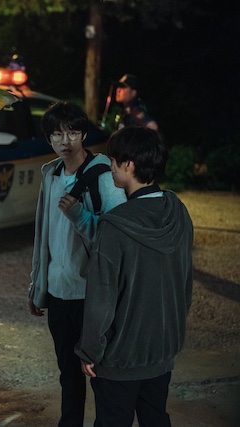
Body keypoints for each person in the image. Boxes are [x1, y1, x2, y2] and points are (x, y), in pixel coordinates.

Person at [75, 127, 193, 427]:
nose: (110, 167)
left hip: (121, 357)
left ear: (128, 165)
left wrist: (89, 350)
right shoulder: (178, 211)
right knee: (155, 418)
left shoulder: (114, 225)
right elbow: (184, 284)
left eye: (113, 161)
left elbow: (101, 300)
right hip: (162, 349)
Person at [27, 101, 126, 427]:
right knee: (68, 374)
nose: (65, 141)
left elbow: (116, 237)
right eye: (57, 134)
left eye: (72, 132)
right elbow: (43, 234)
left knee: (101, 374)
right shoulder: (51, 173)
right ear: (49, 139)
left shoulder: (103, 175)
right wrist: (37, 286)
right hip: (59, 293)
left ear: (83, 134)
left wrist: (79, 215)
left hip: (93, 294)